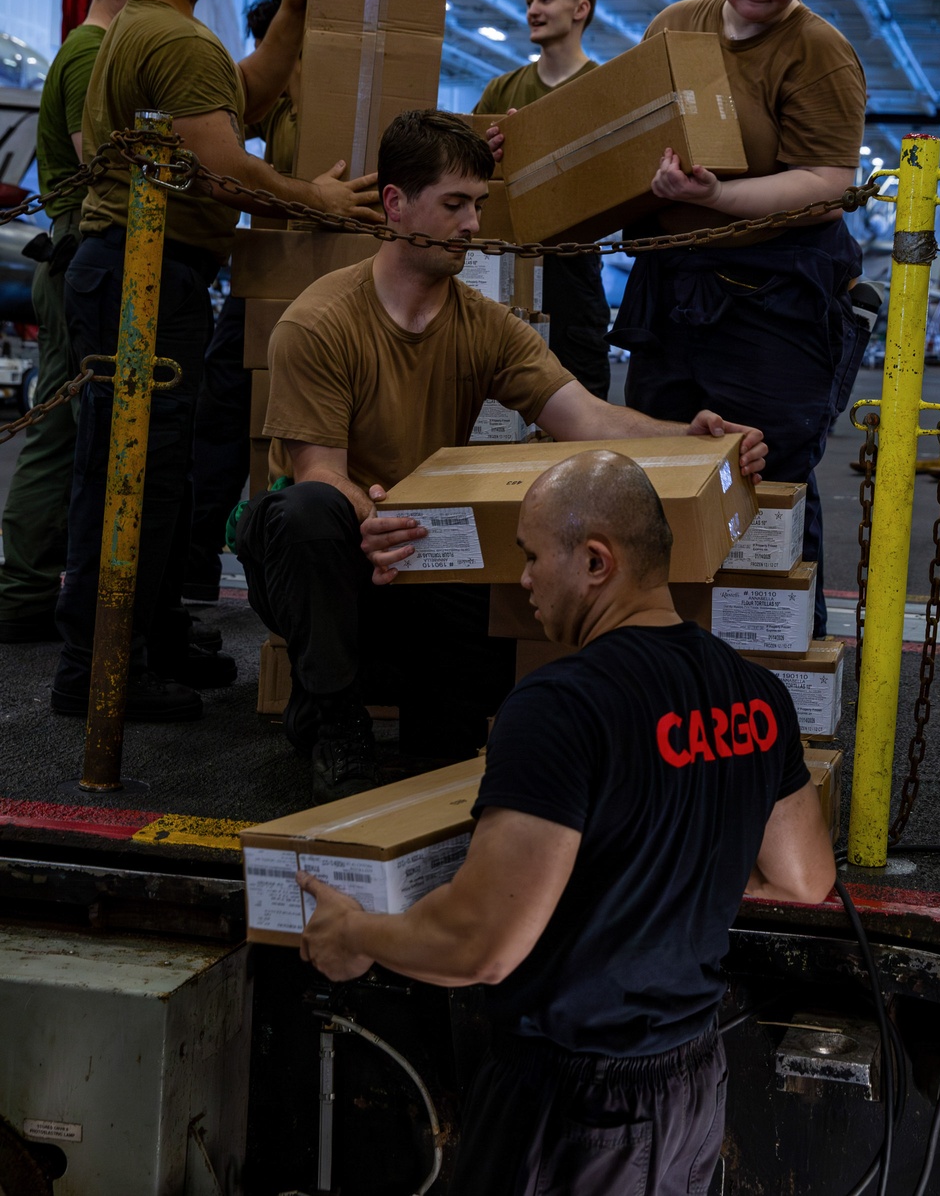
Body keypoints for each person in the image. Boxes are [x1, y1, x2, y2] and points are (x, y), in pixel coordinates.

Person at [298, 449, 835, 1196]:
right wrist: (660, 857)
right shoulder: (757, 694)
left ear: (594, 561)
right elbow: (803, 877)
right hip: (689, 1089)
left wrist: (352, 935)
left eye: (529, 556)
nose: (522, 579)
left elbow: (481, 943)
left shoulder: (561, 705)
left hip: (578, 1108)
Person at [234, 108, 767, 802]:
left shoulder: (485, 326)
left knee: (457, 722)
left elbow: (589, 418)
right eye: (454, 205)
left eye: (478, 205)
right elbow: (321, 473)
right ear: (396, 205)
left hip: (425, 559)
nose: (472, 225)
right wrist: (373, 514)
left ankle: (416, 713)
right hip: (330, 558)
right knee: (304, 513)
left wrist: (692, 436)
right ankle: (334, 717)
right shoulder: (320, 321)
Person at [51, 0, 382, 724]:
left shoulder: (152, 29)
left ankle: (145, 636)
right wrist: (320, 199)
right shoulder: (177, 39)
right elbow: (225, 169)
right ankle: (98, 668)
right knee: (136, 477)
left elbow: (238, 98)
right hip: (143, 276)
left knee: (137, 471)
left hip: (136, 270)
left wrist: (296, 17)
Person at [610, 0, 871, 638]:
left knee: (770, 482)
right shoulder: (676, 25)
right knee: (661, 471)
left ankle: (786, 665)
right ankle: (667, 654)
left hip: (777, 298)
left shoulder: (819, 52)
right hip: (678, 287)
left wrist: (718, 197)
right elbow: (627, 123)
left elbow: (825, 185)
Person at [0, 0, 133, 644]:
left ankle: (28, 584)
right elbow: (104, 162)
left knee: (62, 430)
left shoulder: (88, 51)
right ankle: (22, 589)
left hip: (74, 257)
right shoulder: (90, 52)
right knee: (59, 434)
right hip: (81, 256)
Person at [182, 0, 299, 604]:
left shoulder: (331, 100)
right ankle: (197, 563)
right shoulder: (267, 104)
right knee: (219, 419)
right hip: (260, 281)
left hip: (313, 284)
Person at [475, 0, 612, 400]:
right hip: (503, 262)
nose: (533, 8)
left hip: (573, 267)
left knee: (581, 389)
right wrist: (487, 155)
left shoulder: (603, 87)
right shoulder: (502, 90)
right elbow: (465, 169)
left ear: (580, 9)